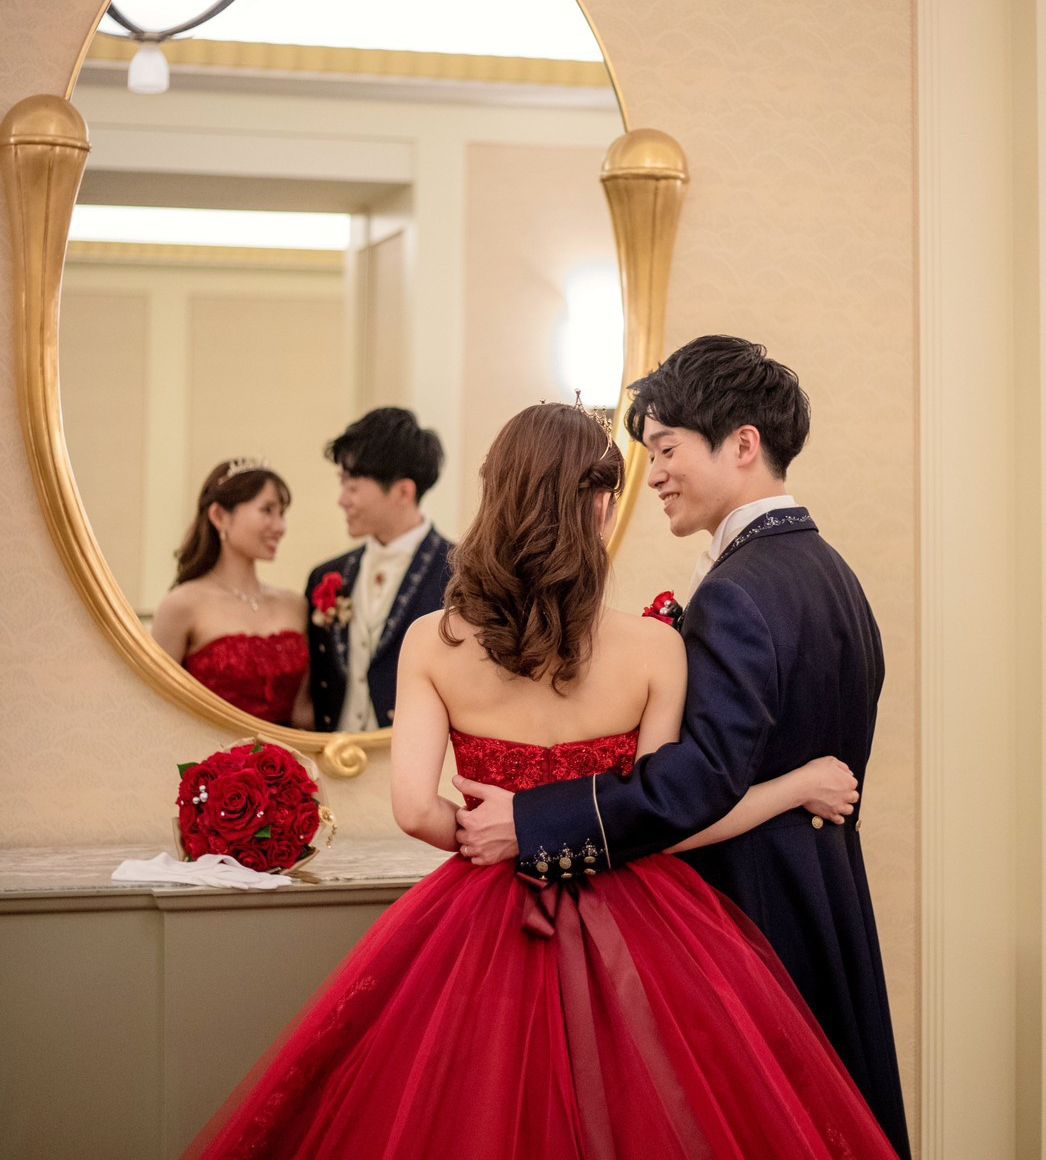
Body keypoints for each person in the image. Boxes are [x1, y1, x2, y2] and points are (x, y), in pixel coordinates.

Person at [186, 403, 897, 1160]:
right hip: (646, 914)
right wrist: (792, 788)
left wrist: (493, 835)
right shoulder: (654, 648)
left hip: (485, 908)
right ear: (600, 507)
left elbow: (414, 808)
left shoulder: (433, 640)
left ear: (498, 497)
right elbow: (673, 818)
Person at [456, 338, 911, 1160]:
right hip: (827, 898)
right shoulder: (832, 573)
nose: (655, 473)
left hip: (754, 908)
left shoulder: (739, 590)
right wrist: (800, 785)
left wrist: (533, 822)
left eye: (666, 449)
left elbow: (695, 783)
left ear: (742, 444)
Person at [306, 407, 452, 733]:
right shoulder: (326, 576)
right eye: (342, 484)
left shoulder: (461, 576)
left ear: (403, 492)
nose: (342, 500)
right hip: (332, 753)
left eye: (353, 487)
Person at [152, 459, 311, 729]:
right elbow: (157, 706)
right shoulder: (182, 605)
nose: (280, 526)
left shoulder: (295, 605)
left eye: (282, 513)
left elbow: (304, 715)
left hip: (292, 754)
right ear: (219, 516)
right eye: (267, 510)